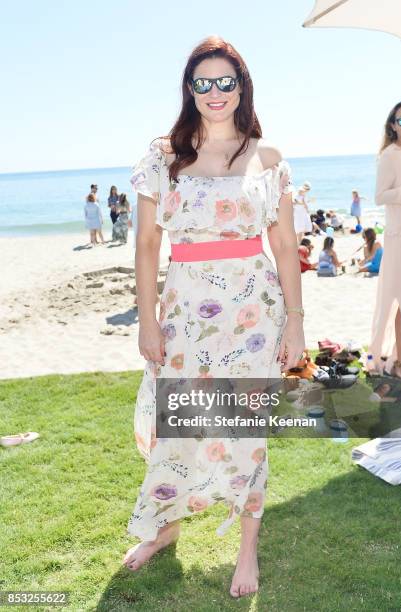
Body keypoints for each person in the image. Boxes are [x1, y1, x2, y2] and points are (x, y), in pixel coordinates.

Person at [122, 36, 305, 598]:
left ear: (242, 86)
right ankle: (166, 525)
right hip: (184, 307)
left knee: (246, 427)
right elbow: (149, 243)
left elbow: (283, 243)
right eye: (203, 82)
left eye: (226, 81)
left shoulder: (267, 157)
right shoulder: (163, 154)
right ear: (189, 90)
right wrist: (147, 318)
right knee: (179, 421)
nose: (215, 92)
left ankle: (246, 551)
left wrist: (295, 320)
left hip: (255, 308)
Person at [369, 100, 401, 380]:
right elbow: (380, 196)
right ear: (393, 126)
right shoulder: (390, 155)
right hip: (399, 237)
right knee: (397, 298)